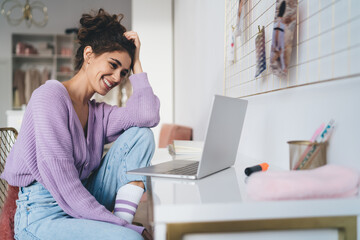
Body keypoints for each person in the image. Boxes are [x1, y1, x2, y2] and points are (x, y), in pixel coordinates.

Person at [0, 8, 159, 240]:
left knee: (141, 135)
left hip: (82, 197)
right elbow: (66, 188)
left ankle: (119, 225)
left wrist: (137, 63)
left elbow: (148, 116)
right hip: (42, 214)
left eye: (123, 72)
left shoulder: (98, 113)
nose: (117, 78)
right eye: (113, 65)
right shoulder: (49, 97)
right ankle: (119, 228)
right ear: (89, 54)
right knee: (131, 237)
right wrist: (128, 230)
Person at [271, 1, 287, 72]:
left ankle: (283, 67)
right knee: (281, 51)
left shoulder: (279, 22)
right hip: (279, 32)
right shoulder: (282, 23)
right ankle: (283, 67)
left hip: (278, 31)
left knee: (279, 51)